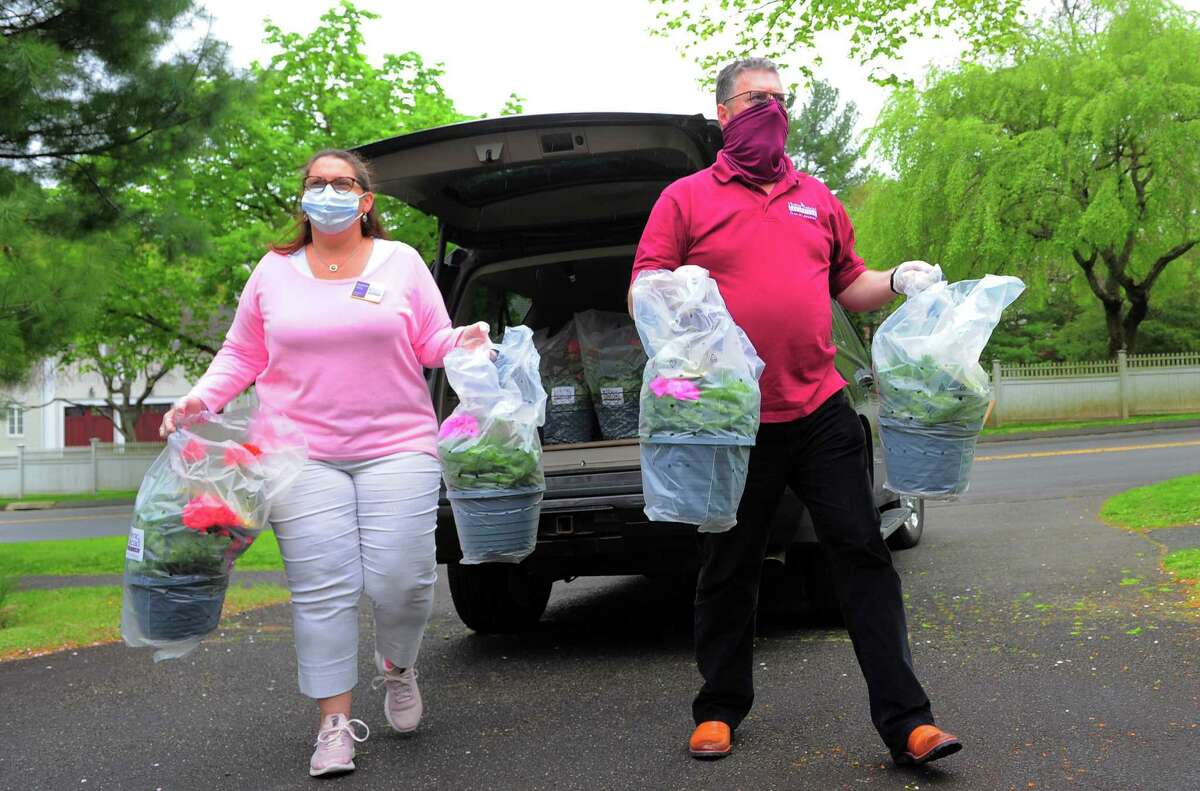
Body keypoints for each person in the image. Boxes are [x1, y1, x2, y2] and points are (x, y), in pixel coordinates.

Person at [629, 58, 962, 766]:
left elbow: (851, 284)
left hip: (820, 408)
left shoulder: (817, 197)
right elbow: (644, 289)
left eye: (781, 99)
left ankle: (909, 721)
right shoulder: (685, 199)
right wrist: (676, 292)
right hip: (733, 422)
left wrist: (898, 279)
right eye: (756, 99)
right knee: (729, 560)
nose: (772, 110)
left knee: (863, 552)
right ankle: (719, 707)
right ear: (723, 113)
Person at [161, 148, 489, 778]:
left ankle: (397, 666)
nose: (328, 192)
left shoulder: (402, 264)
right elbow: (240, 353)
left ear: (366, 201)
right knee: (323, 590)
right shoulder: (274, 270)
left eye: (342, 183)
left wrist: (464, 341)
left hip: (397, 444)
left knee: (404, 578)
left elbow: (431, 340)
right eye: (317, 182)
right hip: (299, 453)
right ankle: (333, 723)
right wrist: (201, 397)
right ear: (304, 196)